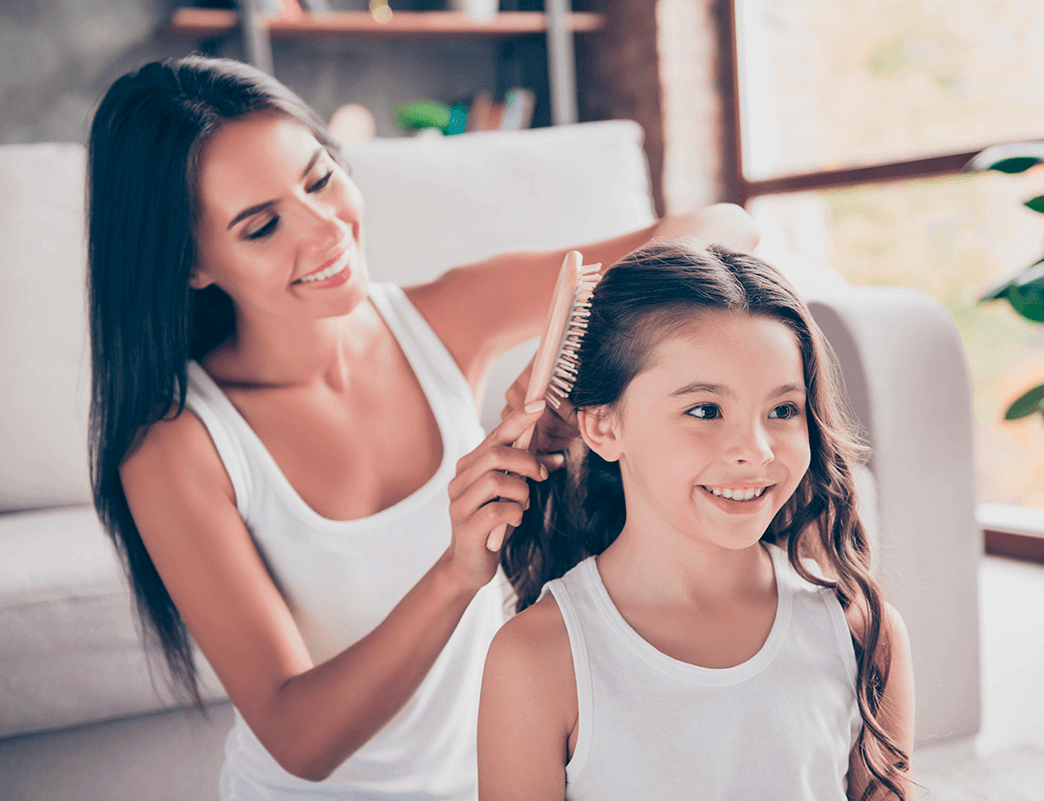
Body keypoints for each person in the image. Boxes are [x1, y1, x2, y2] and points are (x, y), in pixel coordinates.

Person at [87, 55, 758, 800]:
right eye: (262, 225)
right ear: (190, 264)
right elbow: (298, 738)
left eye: (319, 179)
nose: (324, 231)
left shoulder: (445, 317)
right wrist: (457, 571)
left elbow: (720, 227)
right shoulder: (177, 444)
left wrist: (572, 350)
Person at [477, 242, 915, 801]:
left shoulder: (860, 631)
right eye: (705, 410)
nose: (756, 452)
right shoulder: (537, 660)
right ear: (604, 427)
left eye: (783, 410)